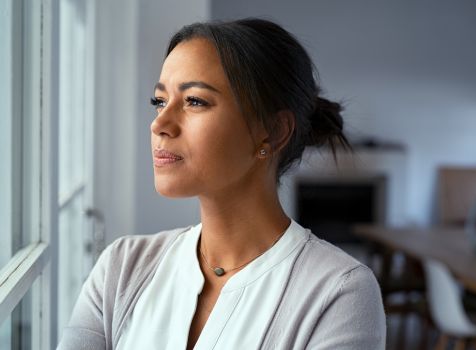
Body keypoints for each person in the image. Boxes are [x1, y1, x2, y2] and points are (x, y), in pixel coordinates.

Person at [58, 18, 386, 350]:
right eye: (159, 101)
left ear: (271, 132)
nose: (160, 123)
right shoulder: (122, 267)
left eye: (194, 101)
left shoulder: (339, 294)